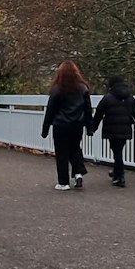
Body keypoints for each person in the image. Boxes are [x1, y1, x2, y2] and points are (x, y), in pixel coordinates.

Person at [39, 60, 91, 190]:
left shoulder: (58, 89)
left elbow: (50, 110)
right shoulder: (83, 88)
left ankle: (63, 182)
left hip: (61, 125)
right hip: (77, 125)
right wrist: (90, 127)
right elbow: (88, 110)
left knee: (62, 153)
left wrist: (45, 129)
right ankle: (78, 173)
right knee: (75, 148)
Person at [88, 75, 135, 187]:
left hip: (112, 129)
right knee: (118, 151)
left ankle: (120, 176)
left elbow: (98, 114)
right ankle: (116, 172)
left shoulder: (108, 98)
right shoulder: (129, 97)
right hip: (125, 128)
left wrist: (92, 128)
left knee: (116, 152)